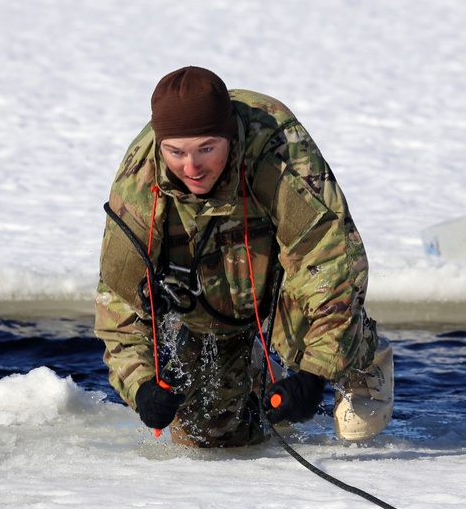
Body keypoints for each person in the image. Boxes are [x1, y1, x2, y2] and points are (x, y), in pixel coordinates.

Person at [95, 66, 393, 448]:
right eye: (176, 152)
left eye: (206, 149)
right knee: (211, 436)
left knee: (311, 320)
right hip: (211, 295)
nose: (191, 167)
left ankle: (363, 358)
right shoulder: (139, 185)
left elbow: (330, 263)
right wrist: (140, 386)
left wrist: (315, 374)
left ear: (229, 137)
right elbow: (118, 307)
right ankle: (253, 374)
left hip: (282, 278)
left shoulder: (278, 152)